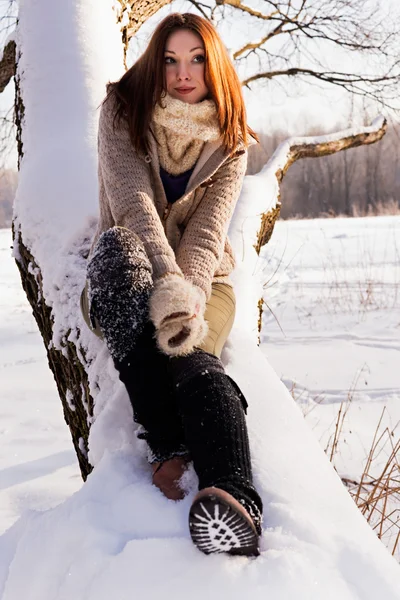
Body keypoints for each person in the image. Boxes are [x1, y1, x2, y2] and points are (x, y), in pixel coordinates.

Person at [81, 12, 263, 557]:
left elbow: (209, 232)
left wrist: (186, 298)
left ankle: (234, 498)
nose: (183, 73)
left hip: (205, 275)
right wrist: (165, 291)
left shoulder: (231, 137)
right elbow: (134, 206)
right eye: (170, 59)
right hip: (132, 270)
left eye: (197, 59)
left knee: (194, 359)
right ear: (156, 65)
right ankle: (166, 445)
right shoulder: (122, 112)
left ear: (214, 66)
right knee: (117, 255)